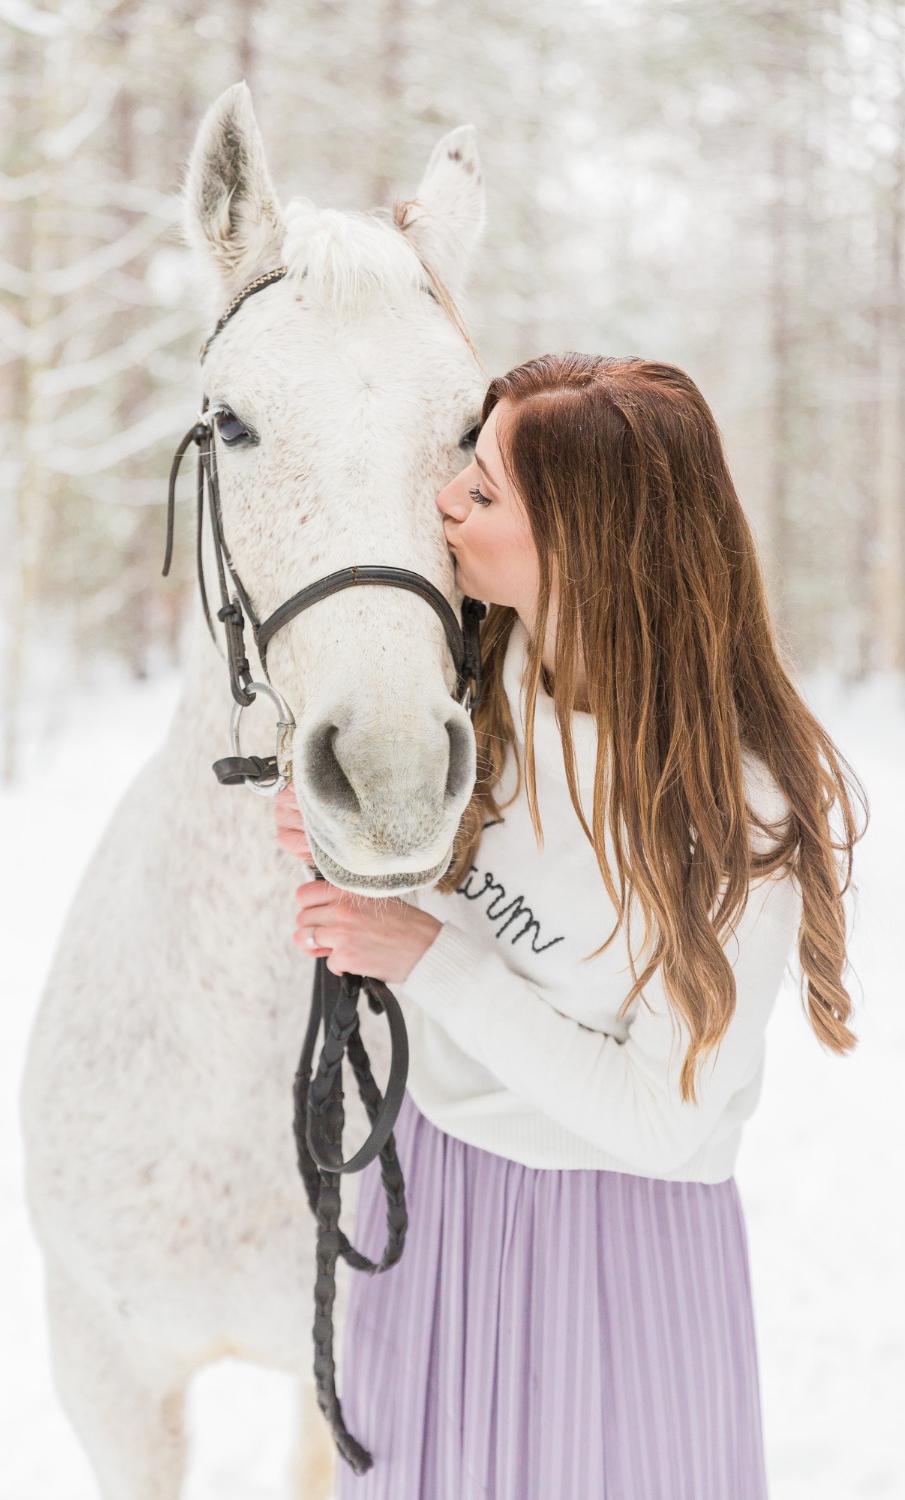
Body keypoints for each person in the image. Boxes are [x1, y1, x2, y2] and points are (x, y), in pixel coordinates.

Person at [273, 352, 866, 1499]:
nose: (445, 500)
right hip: (435, 1209)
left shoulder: (732, 805)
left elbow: (659, 1120)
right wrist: (351, 840)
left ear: (585, 542)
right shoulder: (475, 679)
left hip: (611, 1256)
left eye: (484, 491)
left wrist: (427, 957)